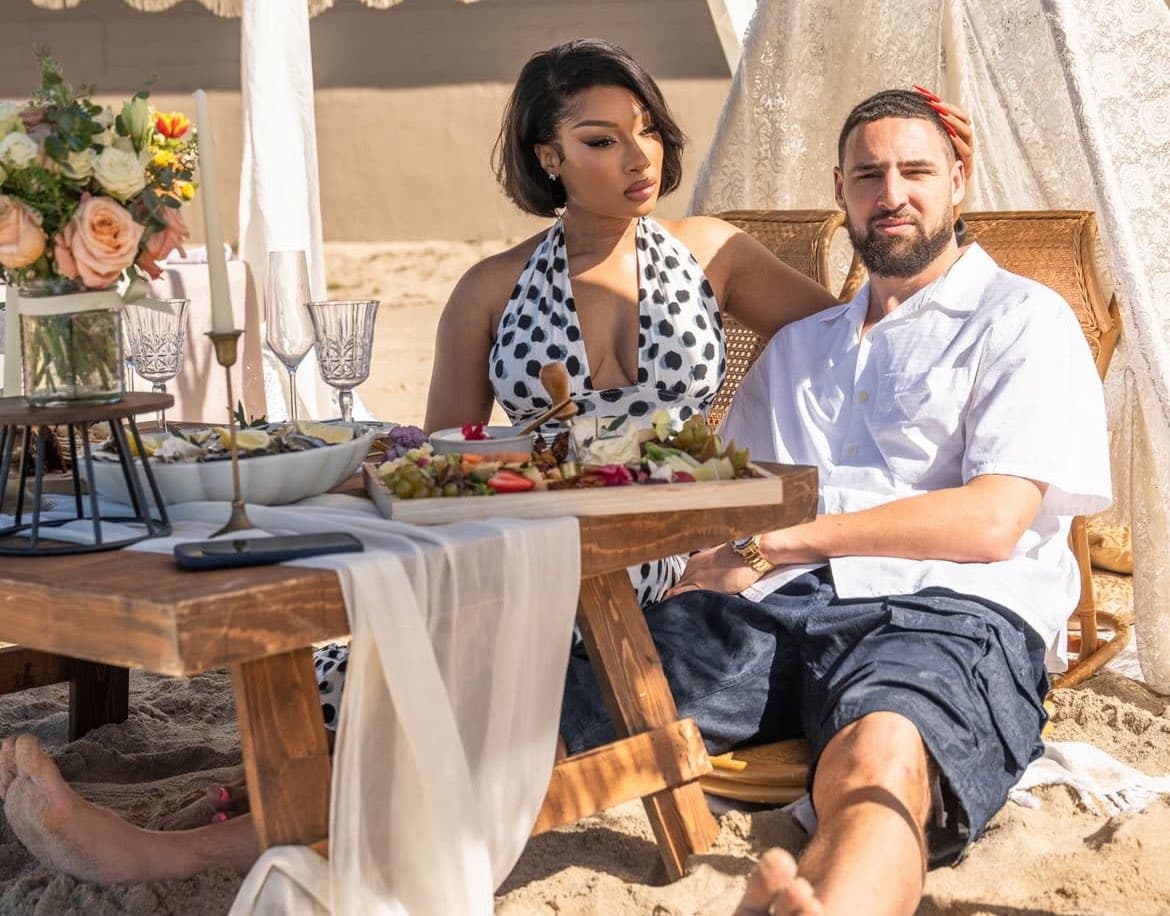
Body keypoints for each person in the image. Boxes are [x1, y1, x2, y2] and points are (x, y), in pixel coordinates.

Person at [0, 59, 976, 892]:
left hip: (670, 558)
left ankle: (175, 848)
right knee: (387, 675)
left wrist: (944, 208)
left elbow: (864, 333)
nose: (638, 157)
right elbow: (438, 465)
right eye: (601, 140)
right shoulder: (490, 287)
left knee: (444, 699)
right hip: (535, 539)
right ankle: (218, 819)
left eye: (646, 132)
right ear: (548, 156)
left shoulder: (712, 250)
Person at [560, 88, 1110, 915]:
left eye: (917, 171)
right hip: (768, 608)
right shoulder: (799, 348)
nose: (893, 194)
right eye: (869, 175)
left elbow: (992, 522)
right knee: (555, 707)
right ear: (840, 191)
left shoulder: (1021, 319)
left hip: (943, 609)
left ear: (959, 182)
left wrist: (781, 544)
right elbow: (737, 498)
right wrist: (694, 555)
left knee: (881, 761)